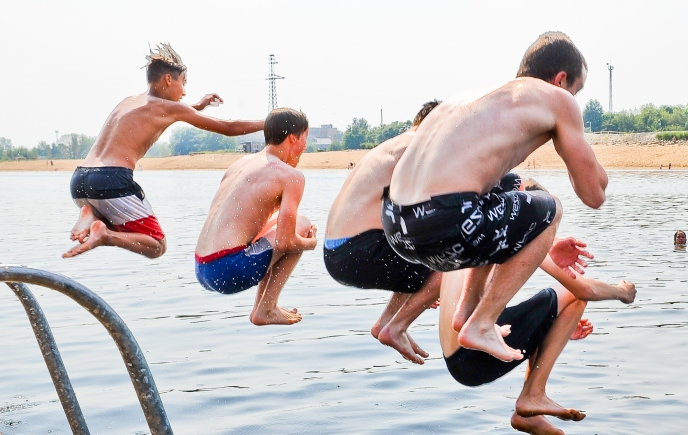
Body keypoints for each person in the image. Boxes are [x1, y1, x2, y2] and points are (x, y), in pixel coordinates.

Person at [382, 31, 605, 363]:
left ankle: (467, 314)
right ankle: (483, 322)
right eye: (577, 89)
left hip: (398, 230)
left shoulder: (476, 100)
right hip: (443, 218)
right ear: (560, 79)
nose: (575, 98)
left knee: (501, 193)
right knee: (549, 209)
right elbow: (593, 194)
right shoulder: (555, 98)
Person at [66, 44, 264, 259]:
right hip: (110, 180)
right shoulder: (169, 109)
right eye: (183, 83)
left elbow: (167, 113)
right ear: (168, 79)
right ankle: (104, 234)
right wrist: (269, 122)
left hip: (80, 180)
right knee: (156, 246)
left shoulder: (128, 102)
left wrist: (197, 106)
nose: (184, 92)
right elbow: (229, 127)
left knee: (112, 212)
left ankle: (90, 213)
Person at [439, 238, 636, 435]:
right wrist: (622, 292)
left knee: (554, 307)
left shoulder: (461, 235)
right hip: (477, 346)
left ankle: (530, 411)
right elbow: (583, 290)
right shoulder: (518, 230)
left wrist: (557, 326)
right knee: (573, 294)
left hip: (457, 360)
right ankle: (533, 395)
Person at [323, 101, 443, 364]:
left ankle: (387, 323)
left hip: (336, 252)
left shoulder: (393, 145)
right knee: (447, 263)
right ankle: (397, 327)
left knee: (422, 257)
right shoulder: (415, 148)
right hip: (356, 248)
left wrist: (422, 288)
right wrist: (431, 287)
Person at [194, 109, 317, 326]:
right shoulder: (290, 176)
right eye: (304, 142)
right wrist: (310, 242)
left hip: (202, 268)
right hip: (228, 269)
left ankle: (266, 307)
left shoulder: (240, 164)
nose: (304, 149)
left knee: (282, 222)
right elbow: (285, 241)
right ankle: (266, 308)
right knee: (303, 224)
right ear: (292, 138)